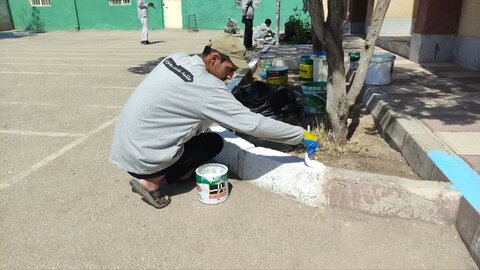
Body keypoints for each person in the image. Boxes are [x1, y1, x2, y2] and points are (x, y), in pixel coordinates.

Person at [109, 33, 319, 209]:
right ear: (214, 58)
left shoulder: (177, 58)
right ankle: (151, 182)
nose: (230, 77)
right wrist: (300, 135)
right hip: (143, 158)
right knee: (212, 143)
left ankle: (167, 171)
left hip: (124, 147)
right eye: (229, 69)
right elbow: (254, 124)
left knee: (201, 131)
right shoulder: (208, 89)